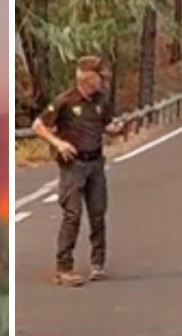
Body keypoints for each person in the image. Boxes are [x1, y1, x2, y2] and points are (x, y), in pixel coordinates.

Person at [32, 54, 124, 286]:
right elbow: (38, 126)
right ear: (87, 78)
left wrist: (116, 128)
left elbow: (106, 124)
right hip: (74, 165)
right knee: (72, 215)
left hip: (96, 163)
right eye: (99, 77)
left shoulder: (101, 100)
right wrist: (58, 143)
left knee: (98, 213)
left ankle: (98, 263)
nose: (102, 81)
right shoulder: (65, 101)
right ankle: (64, 267)